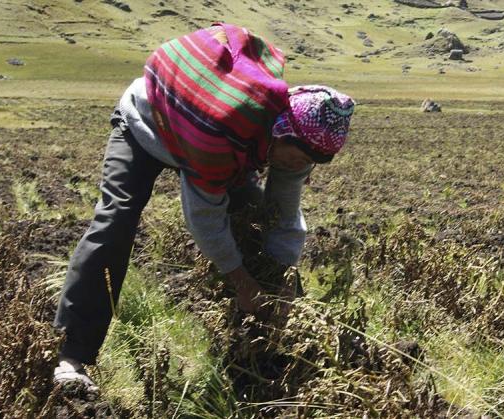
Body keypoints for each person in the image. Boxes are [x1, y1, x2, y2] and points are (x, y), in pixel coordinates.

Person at [52, 23, 355, 390]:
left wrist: (283, 283)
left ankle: (262, 351)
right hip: (147, 124)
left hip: (231, 147)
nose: (299, 166)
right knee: (116, 221)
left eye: (311, 161)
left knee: (255, 221)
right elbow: (204, 220)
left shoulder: (301, 146)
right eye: (297, 157)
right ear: (280, 132)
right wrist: (243, 283)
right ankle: (73, 356)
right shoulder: (222, 135)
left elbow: (284, 218)